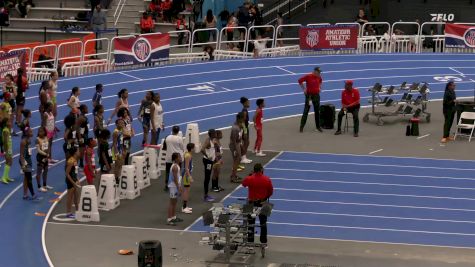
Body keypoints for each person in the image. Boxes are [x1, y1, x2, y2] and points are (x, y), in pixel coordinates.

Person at [242, 163, 273, 245]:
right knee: (263, 223)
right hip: (263, 202)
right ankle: (263, 242)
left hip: (251, 203)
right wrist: (265, 197)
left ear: (254, 170)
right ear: (261, 170)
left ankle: (250, 242)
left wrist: (250, 175)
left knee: (250, 223)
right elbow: (270, 192)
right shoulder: (267, 179)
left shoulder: (249, 178)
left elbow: (243, 184)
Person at [298, 67, 323, 133]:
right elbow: (300, 80)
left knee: (317, 112)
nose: (319, 73)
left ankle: (318, 127)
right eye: (318, 72)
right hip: (309, 96)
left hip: (316, 96)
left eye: (320, 72)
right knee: (306, 111)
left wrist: (320, 88)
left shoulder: (319, 77)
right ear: (315, 71)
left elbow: (320, 81)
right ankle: (301, 127)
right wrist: (304, 89)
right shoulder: (308, 76)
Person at [164, 126, 184, 191]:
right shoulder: (179, 138)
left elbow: (165, 147)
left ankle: (167, 185)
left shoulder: (167, 137)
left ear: (172, 130)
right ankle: (177, 184)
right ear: (178, 131)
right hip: (177, 158)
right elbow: (182, 148)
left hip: (169, 157)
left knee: (167, 172)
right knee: (177, 171)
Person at [167, 152, 183, 226]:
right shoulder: (175, 167)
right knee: (172, 203)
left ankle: (173, 217)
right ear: (176, 158)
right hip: (173, 186)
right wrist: (179, 187)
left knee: (175, 202)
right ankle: (169, 219)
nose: (180, 158)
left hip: (175, 186)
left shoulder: (177, 165)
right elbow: (175, 179)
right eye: (179, 157)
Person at [20, 127, 37, 200]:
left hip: (28, 160)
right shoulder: (23, 142)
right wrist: (24, 164)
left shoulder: (29, 140)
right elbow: (21, 155)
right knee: (29, 178)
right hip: (25, 161)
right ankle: (33, 194)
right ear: (26, 133)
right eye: (30, 132)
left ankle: (25, 194)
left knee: (26, 178)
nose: (32, 133)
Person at [65, 146, 81, 219]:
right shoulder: (70, 161)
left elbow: (75, 172)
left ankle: (77, 210)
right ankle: (68, 212)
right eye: (78, 151)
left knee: (76, 195)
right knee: (70, 197)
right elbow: (67, 174)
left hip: (74, 180)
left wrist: (77, 179)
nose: (79, 152)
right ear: (75, 152)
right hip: (70, 181)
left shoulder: (75, 160)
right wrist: (73, 183)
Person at [201, 129, 216, 202]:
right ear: (212, 134)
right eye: (215, 133)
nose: (216, 134)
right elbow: (202, 149)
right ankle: (205, 196)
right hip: (208, 162)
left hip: (210, 161)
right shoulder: (208, 141)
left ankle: (206, 195)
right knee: (207, 177)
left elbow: (212, 150)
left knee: (208, 176)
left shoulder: (212, 140)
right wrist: (207, 156)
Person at [230, 112, 244, 183]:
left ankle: (234, 175)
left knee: (238, 160)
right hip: (234, 145)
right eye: (243, 118)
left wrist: (240, 145)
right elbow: (233, 140)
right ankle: (233, 177)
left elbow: (239, 138)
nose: (244, 119)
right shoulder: (235, 128)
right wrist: (236, 150)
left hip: (237, 144)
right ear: (240, 118)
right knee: (236, 161)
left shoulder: (239, 126)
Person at [36, 126, 51, 192]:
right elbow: (38, 150)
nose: (40, 133)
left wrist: (48, 154)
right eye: (39, 132)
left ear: (44, 131)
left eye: (42, 131)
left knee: (45, 171)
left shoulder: (46, 137)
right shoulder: (37, 139)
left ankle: (44, 185)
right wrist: (45, 154)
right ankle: (39, 186)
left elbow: (48, 146)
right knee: (39, 172)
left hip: (46, 156)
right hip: (40, 157)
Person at [182, 143, 194, 214]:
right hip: (186, 175)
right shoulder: (188, 156)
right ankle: (184, 207)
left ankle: (185, 206)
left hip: (187, 174)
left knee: (187, 190)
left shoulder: (187, 154)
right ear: (192, 148)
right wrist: (189, 177)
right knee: (186, 191)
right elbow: (186, 168)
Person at [240, 97, 252, 164]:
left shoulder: (245, 110)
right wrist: (244, 132)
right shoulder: (244, 111)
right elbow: (242, 122)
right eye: (248, 102)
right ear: (244, 103)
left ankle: (244, 157)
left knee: (246, 142)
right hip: (245, 129)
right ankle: (243, 158)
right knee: (246, 142)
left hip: (246, 128)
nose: (249, 103)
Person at [2, 117, 13, 184]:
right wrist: (6, 151)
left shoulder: (8, 130)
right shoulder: (5, 130)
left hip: (9, 148)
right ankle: (3, 177)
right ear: (6, 123)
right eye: (9, 121)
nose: (10, 122)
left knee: (9, 162)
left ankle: (6, 176)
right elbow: (5, 142)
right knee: (9, 162)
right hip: (7, 149)